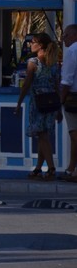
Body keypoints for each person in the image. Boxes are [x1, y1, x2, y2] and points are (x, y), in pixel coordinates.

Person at [15, 33, 61, 181]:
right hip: (51, 104)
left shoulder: (33, 62)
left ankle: (51, 168)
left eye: (33, 42)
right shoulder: (53, 64)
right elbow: (56, 86)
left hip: (38, 104)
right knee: (44, 136)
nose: (30, 45)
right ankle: (38, 168)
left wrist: (18, 103)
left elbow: (27, 85)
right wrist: (59, 108)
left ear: (40, 45)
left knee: (42, 136)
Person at [60, 24, 77, 182]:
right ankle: (72, 168)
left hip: (73, 98)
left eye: (65, 35)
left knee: (74, 134)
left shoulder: (72, 51)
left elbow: (66, 80)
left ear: (73, 35)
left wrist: (61, 100)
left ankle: (72, 169)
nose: (63, 39)